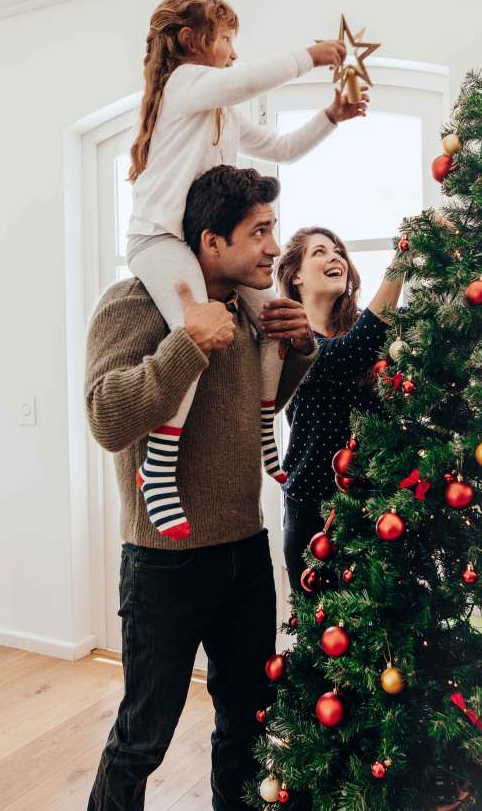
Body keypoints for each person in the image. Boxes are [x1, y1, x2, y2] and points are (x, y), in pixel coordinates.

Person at [86, 165, 316, 811]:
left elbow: (245, 413)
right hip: (165, 562)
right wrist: (186, 344)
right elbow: (107, 416)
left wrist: (297, 349)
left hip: (246, 553)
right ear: (211, 242)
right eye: (260, 231)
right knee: (143, 738)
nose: (276, 245)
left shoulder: (249, 314)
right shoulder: (131, 304)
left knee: (247, 724)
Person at [126, 0, 368, 540]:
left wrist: (331, 115)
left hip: (198, 243)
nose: (234, 52)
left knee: (277, 319)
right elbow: (243, 80)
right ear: (192, 41)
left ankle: (265, 433)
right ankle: (159, 464)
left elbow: (282, 148)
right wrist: (312, 55)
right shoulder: (183, 84)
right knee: (200, 329)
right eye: (227, 38)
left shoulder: (222, 115)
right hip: (160, 240)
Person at [274, 227, 404, 593]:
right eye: (320, 252)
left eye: (338, 252)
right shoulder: (290, 337)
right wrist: (403, 259)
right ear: (296, 275)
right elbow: (346, 354)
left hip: (380, 503)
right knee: (323, 635)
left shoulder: (372, 328)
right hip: (314, 510)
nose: (335, 258)